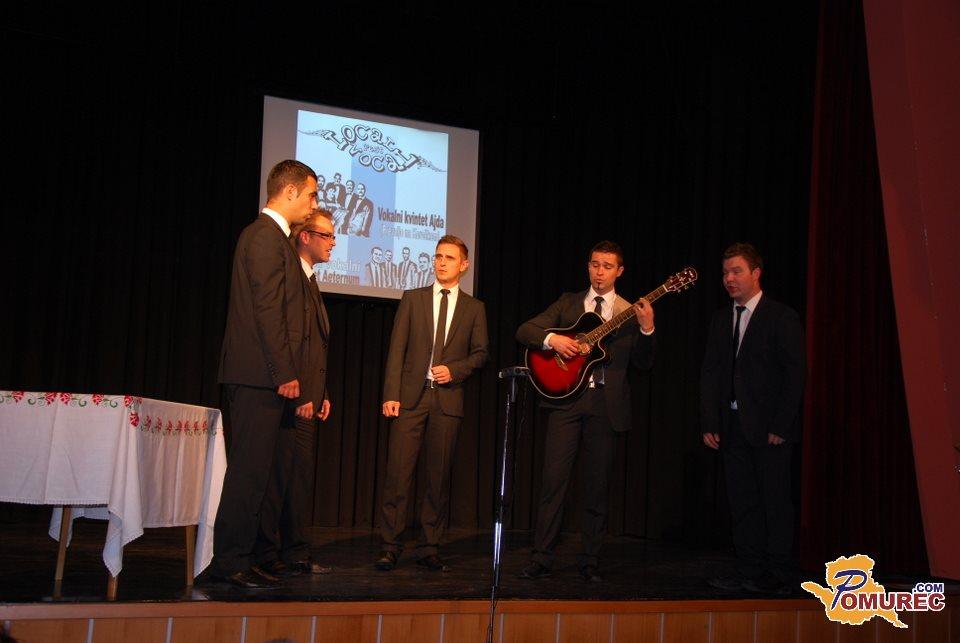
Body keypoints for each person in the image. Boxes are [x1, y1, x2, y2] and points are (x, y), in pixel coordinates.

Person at [516, 240, 655, 583]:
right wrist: (553, 340)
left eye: (607, 266)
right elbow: (525, 330)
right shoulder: (569, 302)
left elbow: (644, 363)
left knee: (597, 486)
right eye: (595, 264)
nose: (599, 272)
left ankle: (590, 559)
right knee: (553, 482)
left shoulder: (628, 311)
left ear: (619, 271)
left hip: (605, 405)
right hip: (566, 401)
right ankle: (542, 557)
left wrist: (647, 328)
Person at [213, 159, 319, 588]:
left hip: (269, 376)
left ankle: (256, 553)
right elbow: (267, 311)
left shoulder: (279, 240)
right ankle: (230, 561)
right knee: (249, 472)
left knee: (268, 474)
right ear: (289, 191)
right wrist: (284, 371)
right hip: (258, 375)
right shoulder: (262, 237)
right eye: (311, 195)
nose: (314, 204)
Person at [376, 235, 489, 572]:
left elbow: (481, 353)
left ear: (464, 265)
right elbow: (396, 348)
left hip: (447, 400)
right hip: (411, 398)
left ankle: (429, 545)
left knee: (437, 479)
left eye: (449, 258)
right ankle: (390, 545)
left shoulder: (474, 308)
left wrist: (455, 370)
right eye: (438, 256)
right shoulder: (413, 299)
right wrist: (391, 393)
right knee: (398, 474)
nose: (441, 262)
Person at [700, 242, 804, 594]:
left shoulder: (781, 317)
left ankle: (778, 572)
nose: (729, 279)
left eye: (736, 271)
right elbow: (711, 372)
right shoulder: (721, 319)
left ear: (756, 273)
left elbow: (794, 375)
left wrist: (781, 425)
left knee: (774, 501)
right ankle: (748, 569)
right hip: (731, 427)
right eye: (725, 273)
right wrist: (710, 421)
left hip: (769, 429)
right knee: (742, 502)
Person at [254, 209, 336, 578]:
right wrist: (303, 394)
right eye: (327, 235)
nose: (333, 243)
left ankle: (295, 551)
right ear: (305, 237)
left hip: (308, 396)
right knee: (279, 478)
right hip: (292, 397)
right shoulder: (292, 279)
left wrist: (322, 391)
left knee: (299, 478)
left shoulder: (311, 280)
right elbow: (290, 341)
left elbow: (314, 345)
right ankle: (266, 552)